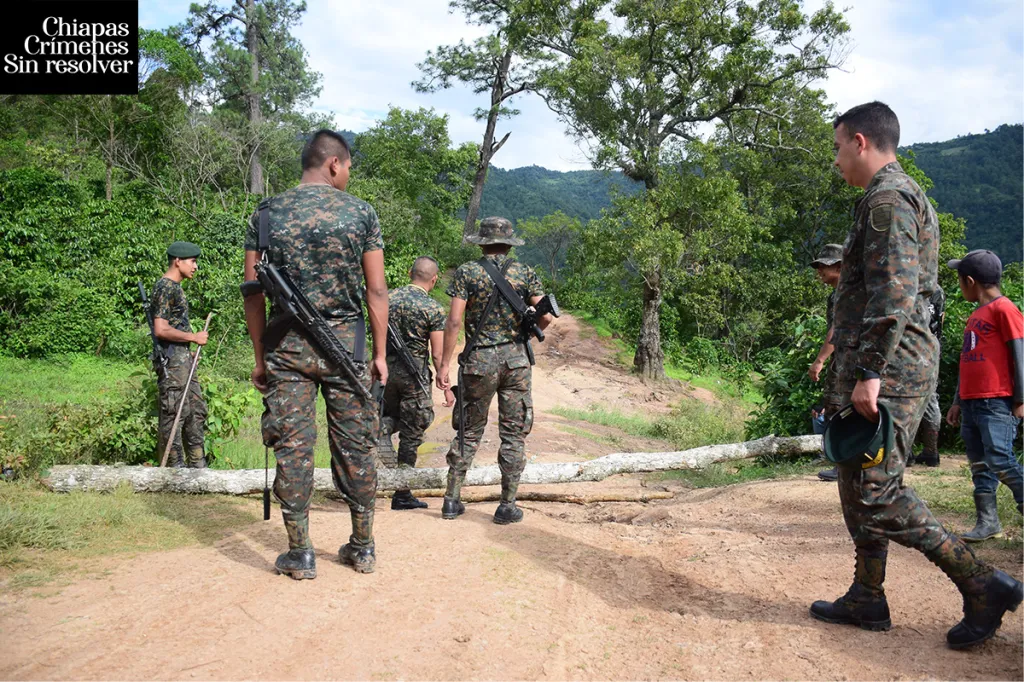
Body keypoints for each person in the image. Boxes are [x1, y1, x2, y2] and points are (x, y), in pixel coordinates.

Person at [809, 101, 1022, 650]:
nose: (835, 159)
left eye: (837, 147)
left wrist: (870, 371)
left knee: (878, 492)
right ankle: (867, 595)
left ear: (860, 142)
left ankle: (982, 584)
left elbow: (895, 293)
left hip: (893, 370)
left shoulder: (888, 200)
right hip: (882, 365)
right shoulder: (882, 199)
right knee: (857, 482)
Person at [243, 129, 389, 580]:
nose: (347, 175)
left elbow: (252, 292)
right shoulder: (361, 213)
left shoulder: (266, 213)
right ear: (333, 164)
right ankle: (362, 547)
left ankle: (300, 552)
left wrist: (259, 356)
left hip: (286, 351)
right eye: (347, 168)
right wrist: (380, 354)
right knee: (355, 446)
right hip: (347, 349)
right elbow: (377, 289)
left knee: (293, 446)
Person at [436, 217, 552, 524]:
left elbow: (454, 321)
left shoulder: (467, 272)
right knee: (513, 434)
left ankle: (451, 500)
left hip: (479, 361)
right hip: (516, 361)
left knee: (469, 431)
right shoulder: (525, 272)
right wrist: (528, 329)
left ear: (482, 242)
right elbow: (547, 318)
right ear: (509, 242)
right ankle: (506, 504)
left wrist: (444, 364)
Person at [945, 249, 1023, 542]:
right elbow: (968, 359)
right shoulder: (976, 315)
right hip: (972, 401)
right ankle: (988, 522)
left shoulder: (1005, 309)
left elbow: (1020, 354)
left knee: (1000, 460)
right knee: (979, 465)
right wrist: (957, 401)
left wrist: (1021, 399)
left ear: (969, 280)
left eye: (960, 281)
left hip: (996, 400)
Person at [382, 255, 456, 510]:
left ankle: (382, 427)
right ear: (433, 279)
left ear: (409, 272)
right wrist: (442, 378)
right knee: (414, 428)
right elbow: (437, 353)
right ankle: (402, 493)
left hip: (386, 372)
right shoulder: (432, 308)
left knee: (392, 415)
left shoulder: (387, 299)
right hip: (413, 376)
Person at [152, 241, 208, 468]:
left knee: (195, 409)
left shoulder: (176, 288)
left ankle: (197, 467)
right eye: (192, 261)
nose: (195, 266)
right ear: (178, 261)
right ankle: (173, 471)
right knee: (175, 411)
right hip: (171, 361)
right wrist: (193, 337)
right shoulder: (166, 287)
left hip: (181, 358)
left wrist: (189, 352)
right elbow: (161, 329)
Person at [807, 243, 843, 482]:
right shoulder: (838, 293)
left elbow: (837, 330)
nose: (819, 270)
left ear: (840, 267)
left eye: (824, 266)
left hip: (850, 363)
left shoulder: (848, 293)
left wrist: (819, 360)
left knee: (840, 410)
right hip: (844, 361)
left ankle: (843, 464)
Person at [908, 285, 946, 467]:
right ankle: (931, 452)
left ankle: (905, 453)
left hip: (908, 351)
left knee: (904, 401)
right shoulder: (936, 290)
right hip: (931, 349)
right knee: (930, 398)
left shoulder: (905, 282)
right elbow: (940, 320)